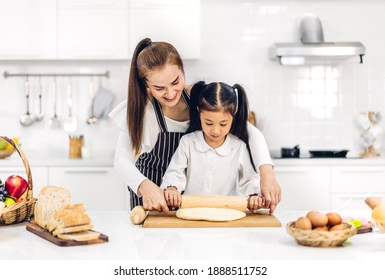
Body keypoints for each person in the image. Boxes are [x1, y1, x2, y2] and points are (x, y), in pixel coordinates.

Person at [109, 38, 281, 214]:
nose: (170, 93)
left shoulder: (198, 98)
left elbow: (251, 132)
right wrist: (144, 186)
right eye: (159, 88)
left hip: (187, 202)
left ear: (182, 70)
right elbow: (121, 160)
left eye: (175, 82)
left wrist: (267, 174)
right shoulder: (140, 108)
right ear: (146, 85)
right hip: (149, 198)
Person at [161, 81, 265, 211]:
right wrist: (172, 187)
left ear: (234, 115)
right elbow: (175, 172)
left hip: (227, 213)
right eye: (209, 123)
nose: (215, 131)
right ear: (199, 112)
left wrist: (254, 195)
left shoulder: (238, 147)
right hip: (192, 213)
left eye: (223, 124)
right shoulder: (188, 142)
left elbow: (250, 179)